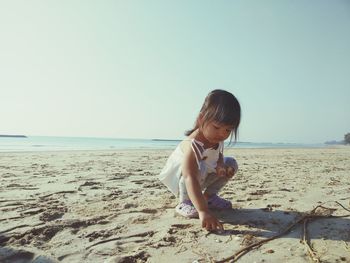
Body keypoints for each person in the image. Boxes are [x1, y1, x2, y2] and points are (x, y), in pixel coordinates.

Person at [159, 89, 241, 231]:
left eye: (228, 130)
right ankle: (184, 202)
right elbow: (189, 175)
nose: (222, 134)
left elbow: (218, 154)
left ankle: (208, 196)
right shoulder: (193, 144)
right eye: (217, 127)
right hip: (184, 181)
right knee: (199, 166)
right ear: (201, 119)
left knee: (231, 163)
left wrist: (221, 166)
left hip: (201, 177)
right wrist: (203, 211)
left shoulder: (216, 138)